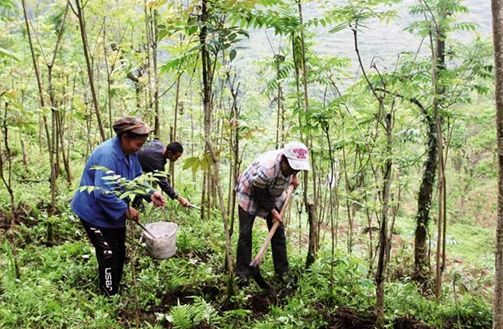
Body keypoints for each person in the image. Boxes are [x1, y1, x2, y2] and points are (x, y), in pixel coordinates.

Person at [71, 117, 166, 296]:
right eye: (138, 144)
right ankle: (108, 294)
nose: (140, 148)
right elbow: (101, 192)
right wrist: (124, 209)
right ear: (124, 138)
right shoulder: (108, 155)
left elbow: (136, 179)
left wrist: (151, 192)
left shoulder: (131, 153)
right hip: (94, 213)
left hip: (113, 212)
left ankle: (115, 286)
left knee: (120, 251)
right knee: (108, 253)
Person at [234, 141, 310, 287]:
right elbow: (259, 192)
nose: (294, 170)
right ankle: (242, 274)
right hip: (251, 192)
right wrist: (273, 211)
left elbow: (295, 169)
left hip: (273, 192)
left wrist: (294, 177)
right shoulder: (267, 168)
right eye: (292, 168)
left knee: (278, 233)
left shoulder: (291, 162)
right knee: (245, 233)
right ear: (284, 160)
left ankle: (283, 272)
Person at [137, 139, 191, 207]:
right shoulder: (157, 163)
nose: (176, 159)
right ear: (170, 153)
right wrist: (180, 199)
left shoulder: (159, 144)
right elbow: (164, 185)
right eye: (176, 157)